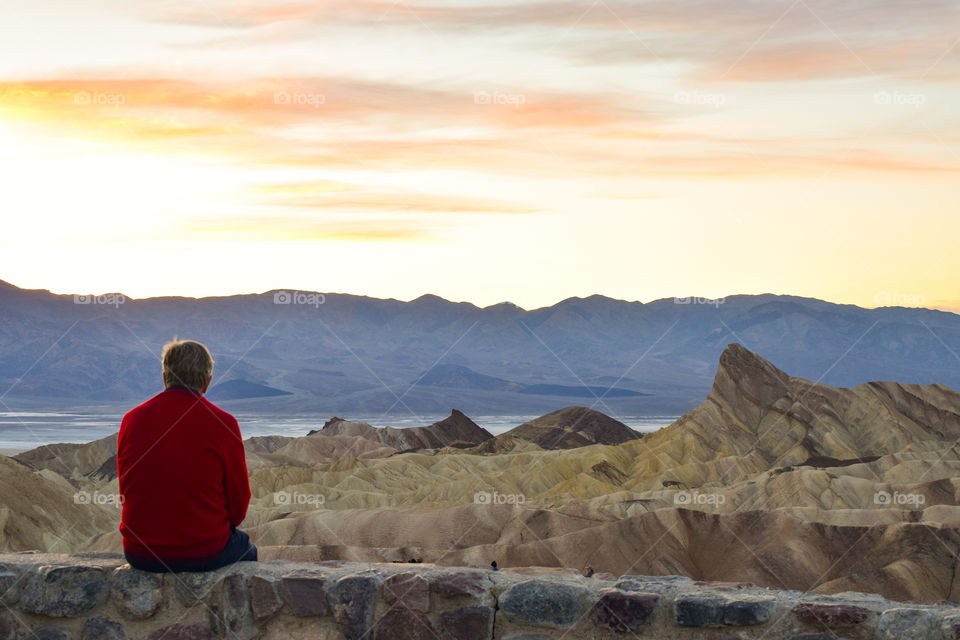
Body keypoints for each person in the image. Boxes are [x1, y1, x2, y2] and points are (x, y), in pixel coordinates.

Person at [117, 338, 256, 572]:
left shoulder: (132, 420)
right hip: (203, 550)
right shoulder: (224, 423)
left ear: (164, 377)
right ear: (208, 382)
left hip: (139, 552)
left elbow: (126, 488)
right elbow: (238, 505)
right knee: (248, 550)